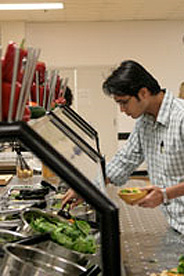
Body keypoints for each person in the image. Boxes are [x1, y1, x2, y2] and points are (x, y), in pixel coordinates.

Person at [62, 60, 184, 234]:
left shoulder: (181, 117)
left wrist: (165, 194)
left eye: (124, 102)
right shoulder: (145, 123)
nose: (121, 110)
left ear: (143, 93)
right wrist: (85, 188)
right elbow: (123, 161)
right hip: (176, 224)